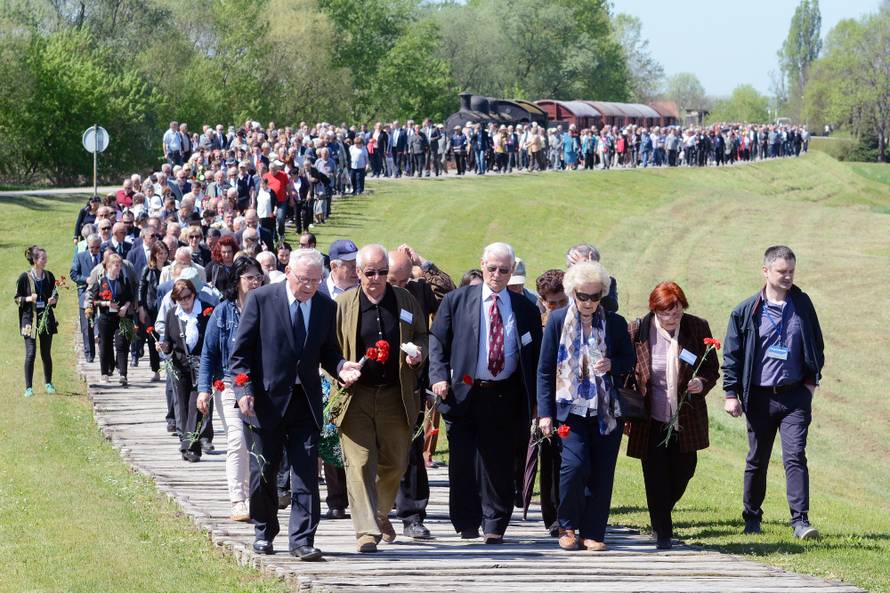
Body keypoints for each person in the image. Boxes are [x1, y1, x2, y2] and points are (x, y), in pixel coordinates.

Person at [229, 248, 362, 561]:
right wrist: (243, 389)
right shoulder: (262, 300)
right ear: (288, 271)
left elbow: (328, 350)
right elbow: (239, 355)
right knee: (265, 471)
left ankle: (302, 539)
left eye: (316, 281)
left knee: (304, 474)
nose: (310, 286)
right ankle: (264, 530)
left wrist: (342, 367)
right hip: (266, 401)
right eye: (304, 280)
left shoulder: (325, 306)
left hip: (306, 402)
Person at [429, 242, 542, 543]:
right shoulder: (457, 301)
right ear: (482, 265)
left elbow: (537, 356)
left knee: (500, 462)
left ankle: (495, 524)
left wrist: (537, 401)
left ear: (512, 272)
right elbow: (437, 341)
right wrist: (439, 376)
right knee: (463, 461)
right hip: (463, 392)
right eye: (492, 268)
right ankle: (467, 521)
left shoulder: (525, 309)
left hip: (505, 395)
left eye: (504, 270)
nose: (497, 275)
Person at [723, 245, 824, 540]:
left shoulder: (802, 305)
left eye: (791, 271)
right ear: (766, 271)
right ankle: (752, 516)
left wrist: (810, 384)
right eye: (782, 271)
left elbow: (816, 345)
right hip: (759, 397)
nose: (788, 276)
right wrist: (731, 393)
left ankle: (801, 522)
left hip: (795, 397)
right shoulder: (746, 311)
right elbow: (732, 355)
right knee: (758, 458)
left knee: (795, 456)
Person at [333, 244, 428, 552]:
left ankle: (378, 513)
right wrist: (341, 369)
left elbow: (422, 335)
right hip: (356, 396)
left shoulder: (405, 300)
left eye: (383, 272)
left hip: (395, 395)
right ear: (357, 273)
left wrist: (419, 354)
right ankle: (366, 532)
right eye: (370, 273)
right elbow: (329, 349)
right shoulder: (344, 304)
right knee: (359, 463)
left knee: (396, 461)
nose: (377, 278)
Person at [536, 261, 635, 551]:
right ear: (572, 293)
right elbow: (544, 370)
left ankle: (594, 532)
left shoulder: (615, 324)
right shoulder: (556, 321)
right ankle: (567, 526)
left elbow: (629, 361)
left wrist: (612, 364)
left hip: (605, 411)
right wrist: (545, 413)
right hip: (570, 411)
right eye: (583, 296)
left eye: (595, 297)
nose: (589, 303)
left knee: (603, 473)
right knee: (574, 468)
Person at [625, 282, 719, 549]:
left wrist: (701, 382)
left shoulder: (697, 327)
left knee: (684, 471)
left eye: (676, 312)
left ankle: (661, 511)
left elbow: (711, 368)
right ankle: (662, 532)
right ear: (655, 309)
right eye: (666, 313)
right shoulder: (638, 330)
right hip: (650, 419)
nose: (671, 318)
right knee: (655, 475)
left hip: (685, 419)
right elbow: (626, 369)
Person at [197, 257, 264, 519]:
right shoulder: (223, 312)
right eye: (249, 277)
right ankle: (238, 499)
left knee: (259, 443)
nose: (255, 281)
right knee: (237, 440)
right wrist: (204, 389)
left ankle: (260, 496)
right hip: (229, 383)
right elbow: (208, 353)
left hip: (261, 384)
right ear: (237, 281)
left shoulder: (268, 308)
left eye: (258, 276)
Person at [156, 279, 215, 462]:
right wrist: (164, 347)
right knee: (181, 405)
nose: (185, 301)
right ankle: (189, 445)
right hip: (179, 364)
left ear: (194, 295)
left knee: (196, 405)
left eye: (187, 297)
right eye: (180, 298)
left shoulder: (206, 310)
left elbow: (213, 338)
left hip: (201, 364)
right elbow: (168, 342)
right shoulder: (173, 314)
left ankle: (190, 446)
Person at [85, 253, 136, 385]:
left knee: (121, 345)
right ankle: (104, 373)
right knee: (105, 345)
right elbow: (94, 301)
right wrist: (106, 304)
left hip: (120, 317)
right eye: (116, 265)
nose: (119, 268)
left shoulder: (123, 281)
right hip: (105, 318)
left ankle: (123, 374)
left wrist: (125, 307)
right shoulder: (101, 282)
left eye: (120, 265)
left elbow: (130, 297)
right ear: (108, 266)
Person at [15, 246, 59, 397]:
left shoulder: (49, 276)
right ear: (34, 260)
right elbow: (17, 298)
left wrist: (53, 300)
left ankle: (49, 383)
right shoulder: (24, 277)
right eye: (42, 259)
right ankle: (28, 387)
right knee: (31, 353)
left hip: (46, 319)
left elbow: (55, 294)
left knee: (46, 353)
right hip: (29, 320)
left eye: (46, 258)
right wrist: (28, 298)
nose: (45, 261)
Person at [138, 241, 170, 382]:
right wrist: (141, 308)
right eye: (159, 254)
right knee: (153, 339)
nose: (162, 256)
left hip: (167, 308)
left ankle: (169, 366)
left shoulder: (170, 268)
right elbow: (141, 289)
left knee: (169, 337)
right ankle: (155, 369)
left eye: (164, 253)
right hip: (151, 308)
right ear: (154, 254)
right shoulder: (148, 269)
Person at [71, 234, 103, 363]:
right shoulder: (80, 257)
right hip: (86, 293)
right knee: (86, 325)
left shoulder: (104, 256)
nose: (95, 250)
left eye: (97, 247)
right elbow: (73, 274)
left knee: (101, 323)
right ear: (87, 246)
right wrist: (86, 279)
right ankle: (89, 353)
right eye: (92, 247)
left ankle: (103, 352)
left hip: (102, 294)